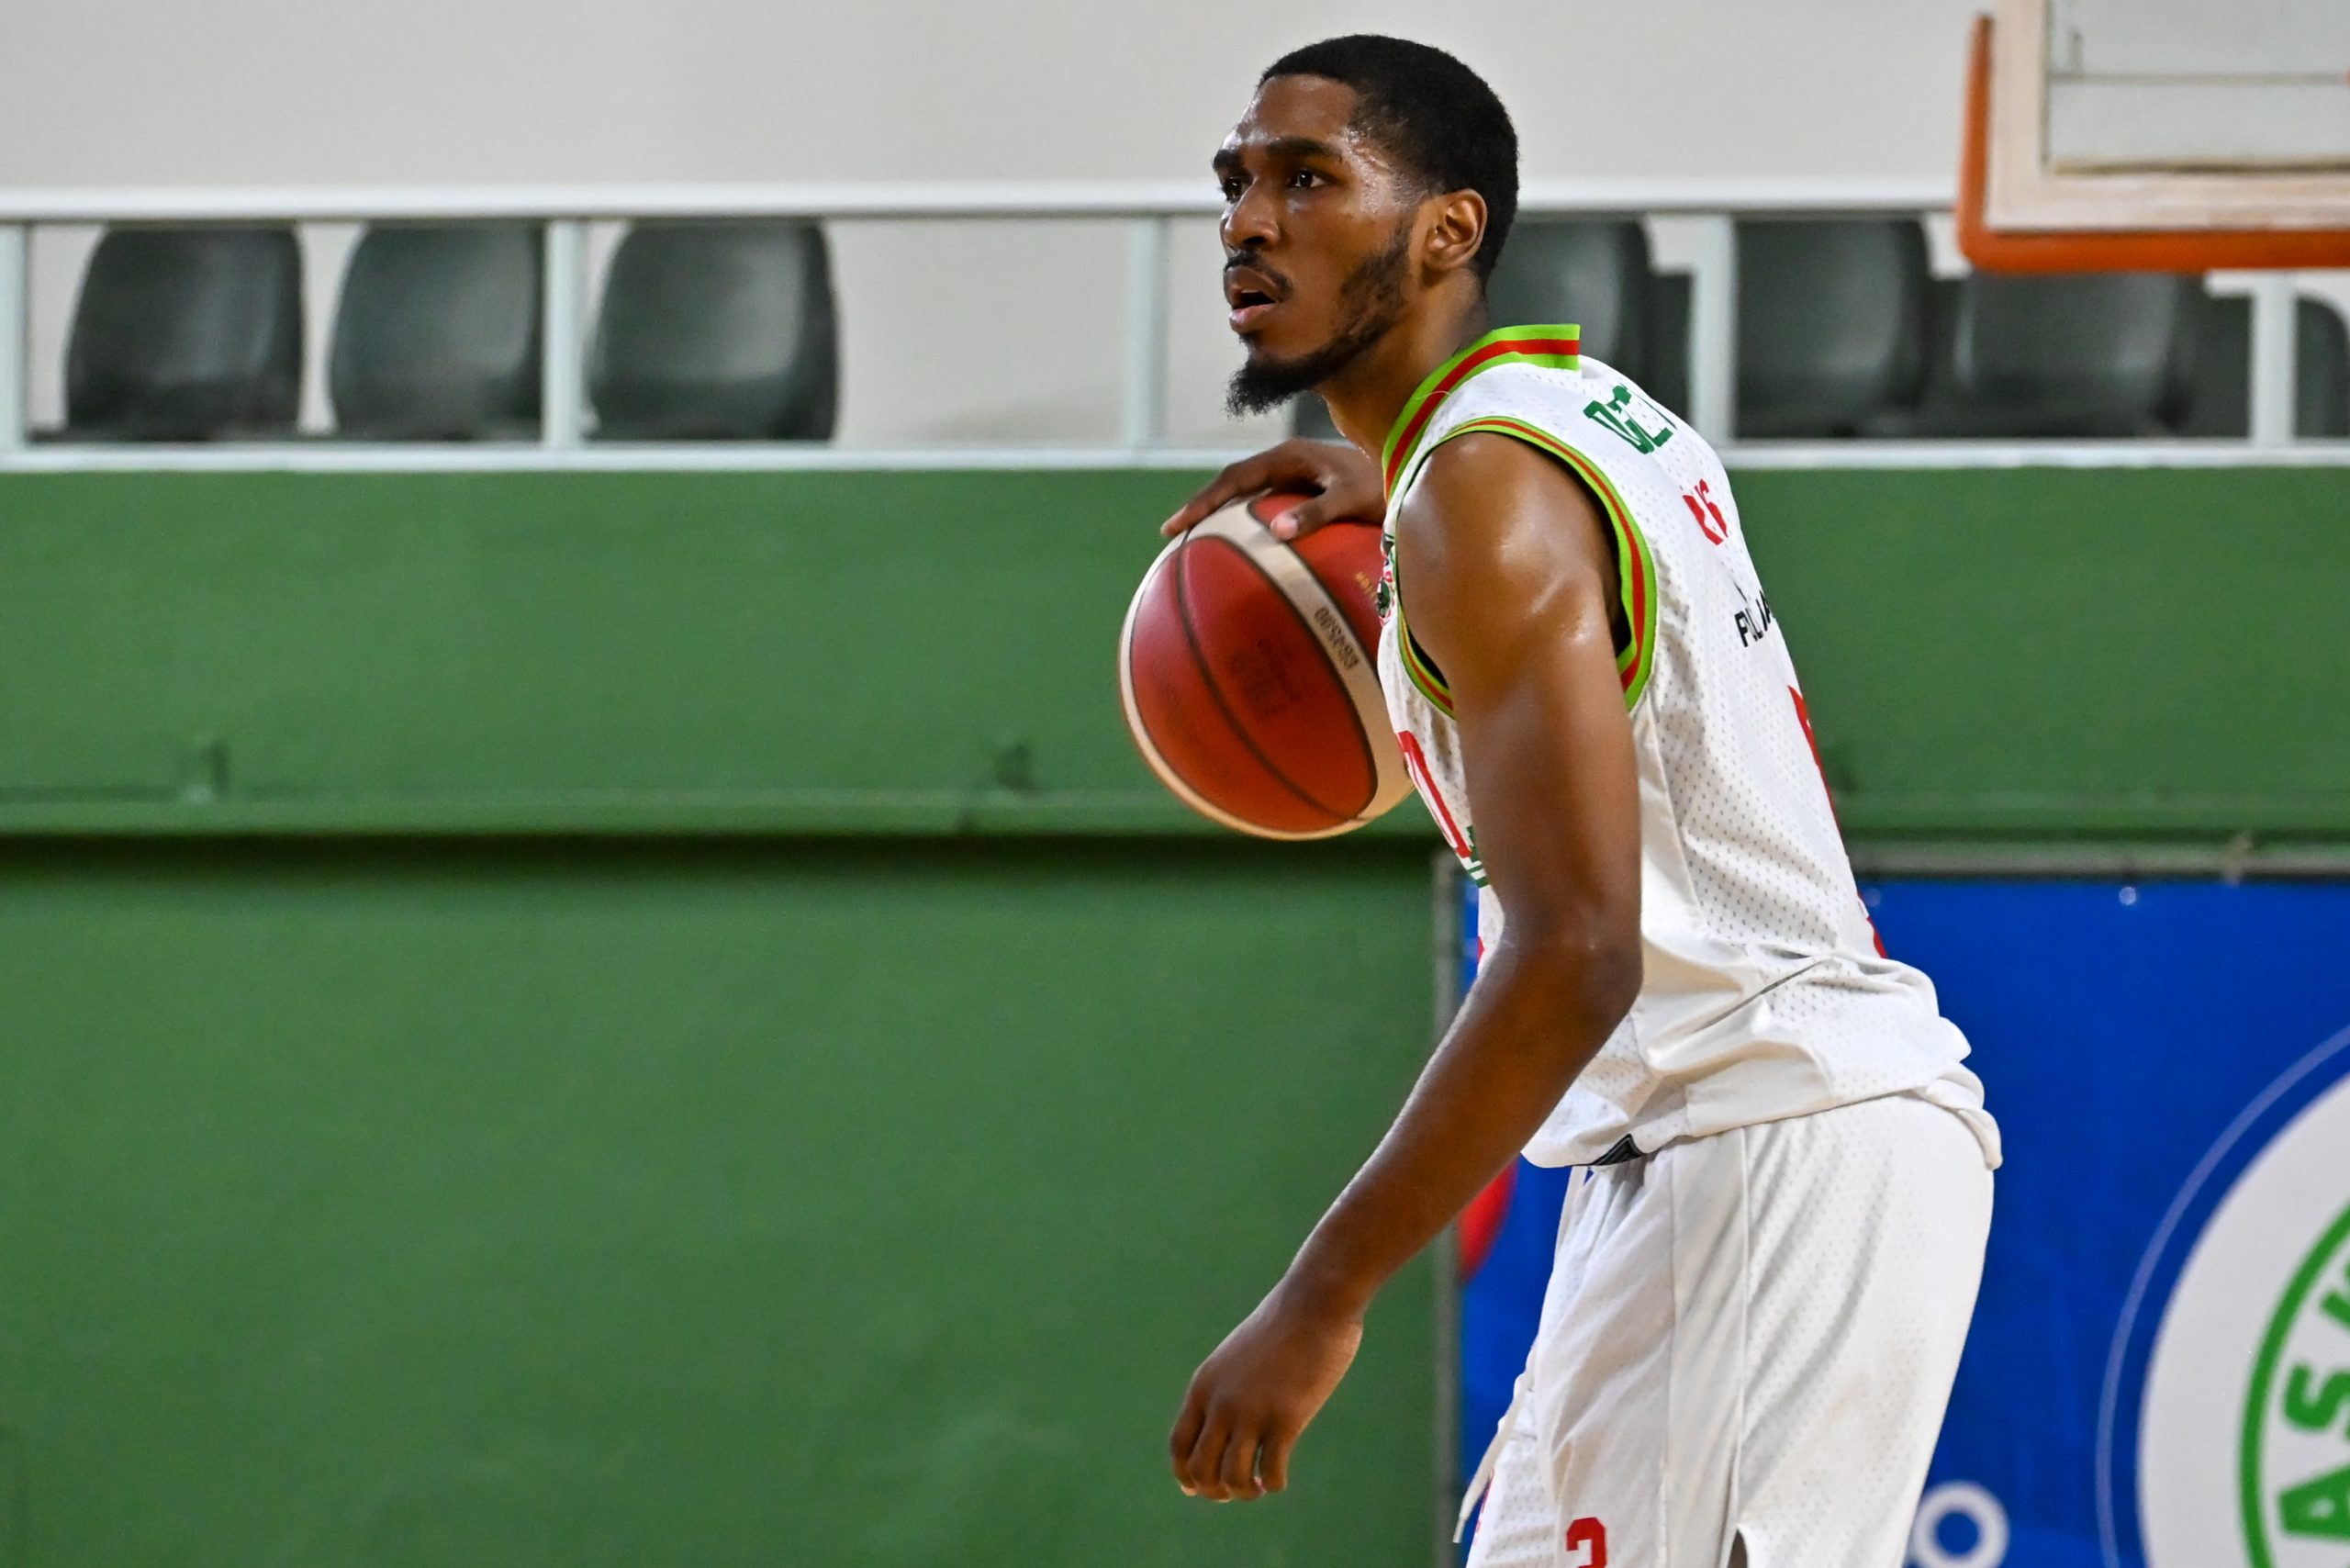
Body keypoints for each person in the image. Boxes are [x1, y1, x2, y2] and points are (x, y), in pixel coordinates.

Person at [1162, 35, 1999, 1568]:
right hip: (1721, 1148)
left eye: (1309, 179)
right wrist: (1403, 495)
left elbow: (1578, 952)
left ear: (1447, 229)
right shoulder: (1580, 411)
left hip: (1760, 1140)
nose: (1248, 221)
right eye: (1236, 180)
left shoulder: (1481, 492)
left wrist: (1322, 1294)